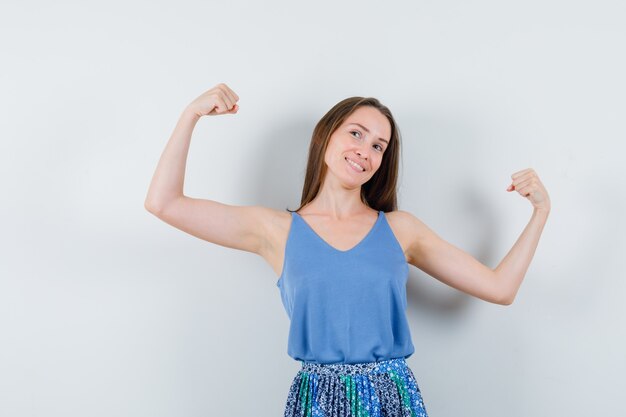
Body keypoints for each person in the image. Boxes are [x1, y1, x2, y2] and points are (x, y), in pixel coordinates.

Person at [144, 83, 551, 417]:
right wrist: (190, 115)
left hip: (393, 399)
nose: (366, 150)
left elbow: (501, 288)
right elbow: (164, 203)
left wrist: (540, 212)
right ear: (327, 135)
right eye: (356, 133)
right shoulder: (275, 230)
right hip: (315, 402)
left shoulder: (400, 229)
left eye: (379, 146)